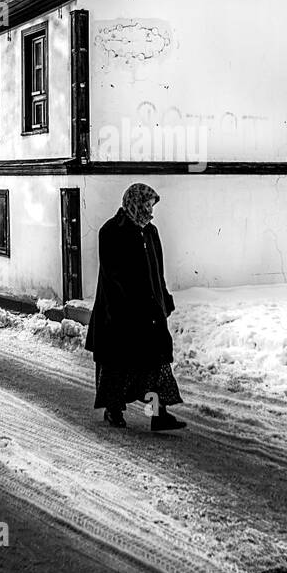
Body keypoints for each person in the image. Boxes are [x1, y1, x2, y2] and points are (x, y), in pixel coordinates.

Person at [86, 183, 186, 432]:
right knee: (118, 367)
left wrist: (163, 298)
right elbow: (113, 276)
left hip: (150, 312)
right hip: (119, 314)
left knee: (155, 368)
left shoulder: (150, 232)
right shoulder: (111, 231)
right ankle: (114, 410)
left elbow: (156, 271)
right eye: (147, 205)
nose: (151, 211)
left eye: (152, 206)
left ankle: (157, 415)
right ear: (135, 203)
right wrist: (130, 307)